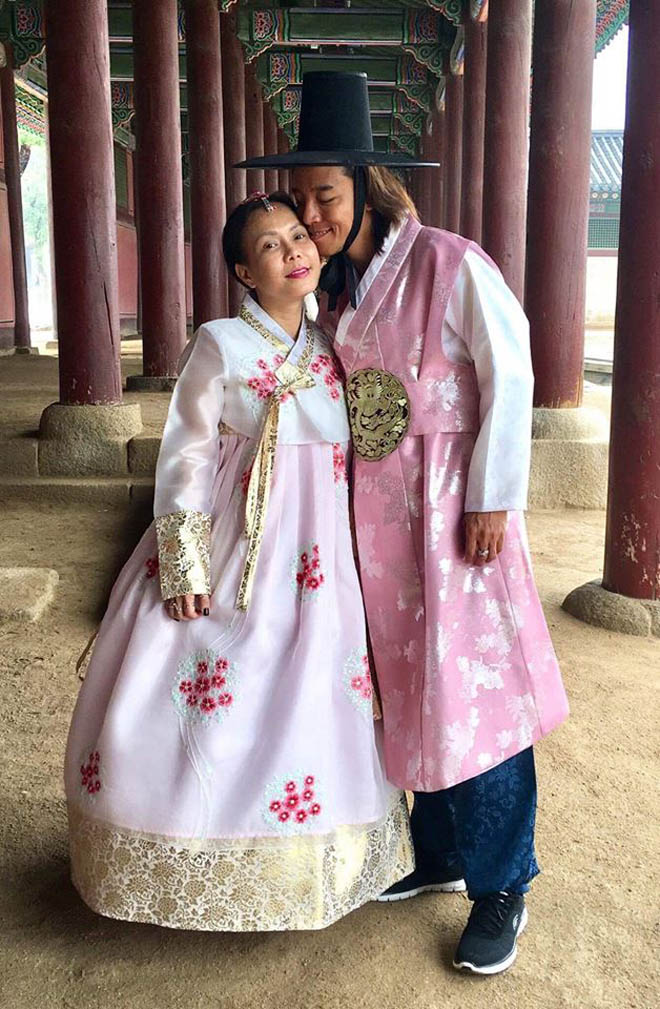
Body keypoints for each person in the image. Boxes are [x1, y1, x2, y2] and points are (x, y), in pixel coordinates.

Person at [239, 72, 569, 973]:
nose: (314, 215)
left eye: (327, 195)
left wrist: (493, 495)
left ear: (365, 183)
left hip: (456, 510)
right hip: (378, 520)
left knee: (477, 691)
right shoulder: (339, 293)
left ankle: (503, 882)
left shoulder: (450, 262)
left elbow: (511, 372)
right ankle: (441, 849)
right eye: (302, 199)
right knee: (409, 681)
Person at [64, 192, 413, 933]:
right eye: (269, 246)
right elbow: (186, 451)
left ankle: (305, 865)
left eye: (298, 236)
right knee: (215, 678)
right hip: (240, 538)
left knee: (313, 689)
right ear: (244, 273)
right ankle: (190, 848)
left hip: (323, 551)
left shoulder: (335, 342)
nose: (293, 251)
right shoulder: (219, 342)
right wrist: (184, 561)